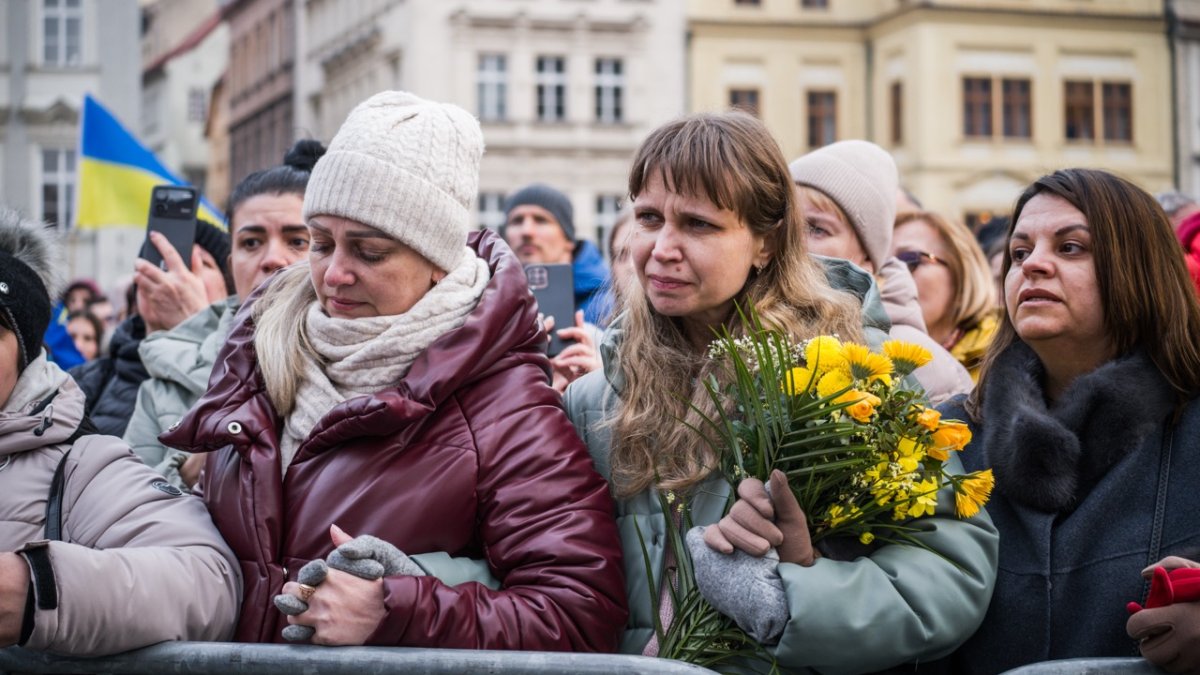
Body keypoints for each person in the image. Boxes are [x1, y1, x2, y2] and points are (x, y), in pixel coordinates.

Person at [159, 91, 627, 649]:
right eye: (321, 243)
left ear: (436, 261)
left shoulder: (504, 407)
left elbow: (579, 610)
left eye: (370, 252)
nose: (333, 274)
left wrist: (397, 609)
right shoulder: (258, 352)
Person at [563, 112, 998, 672]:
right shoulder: (594, 398)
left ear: (765, 243)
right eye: (649, 218)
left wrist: (787, 600)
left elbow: (949, 573)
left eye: (698, 224)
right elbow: (551, 572)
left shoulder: (848, 377)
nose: (662, 247)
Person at [935, 169, 1200, 673]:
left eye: (1071, 247)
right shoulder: (942, 438)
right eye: (1018, 253)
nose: (1033, 265)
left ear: (1139, 269)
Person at [0, 207, 240, 656]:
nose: (167, 277)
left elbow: (208, 581)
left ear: (27, 353)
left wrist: (36, 587)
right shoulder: (98, 376)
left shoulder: (78, 461)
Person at [124, 140, 324, 489]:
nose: (271, 258)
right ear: (231, 264)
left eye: (296, 241)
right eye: (251, 242)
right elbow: (121, 511)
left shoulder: (361, 357)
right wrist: (192, 468)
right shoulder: (163, 385)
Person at [790, 140, 973, 404]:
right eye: (784, 223)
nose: (792, 241)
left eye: (817, 228)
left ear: (867, 259)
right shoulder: (738, 325)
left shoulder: (925, 368)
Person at [68, 218, 232, 437]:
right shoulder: (79, 384)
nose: (178, 273)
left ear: (228, 293)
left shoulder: (247, 382)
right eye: (163, 260)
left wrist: (198, 328)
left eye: (203, 263)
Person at [502, 183, 608, 392]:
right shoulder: (489, 302)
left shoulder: (608, 299)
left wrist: (600, 377)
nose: (526, 231)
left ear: (568, 238)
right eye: (517, 220)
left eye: (541, 220)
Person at [892, 210, 998, 380]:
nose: (888, 274)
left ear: (962, 274)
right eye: (881, 264)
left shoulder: (1003, 360)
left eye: (908, 259)